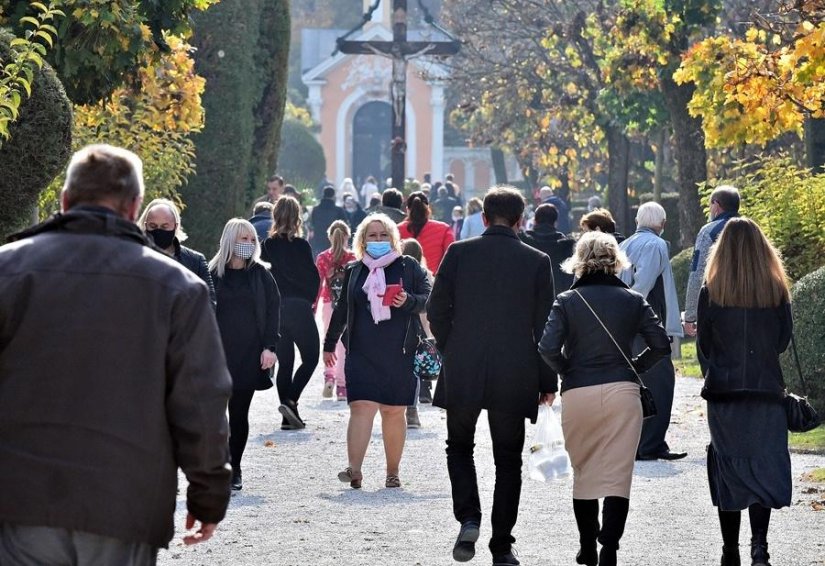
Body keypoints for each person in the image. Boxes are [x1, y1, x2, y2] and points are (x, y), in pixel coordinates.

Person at [0, 144, 231, 563]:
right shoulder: (177, 287)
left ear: (65, 201)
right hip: (123, 498)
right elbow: (201, 398)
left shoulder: (8, 271)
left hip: (19, 496)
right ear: (134, 208)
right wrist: (208, 491)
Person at [427, 187, 556, 566]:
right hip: (514, 369)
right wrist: (547, 380)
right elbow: (544, 326)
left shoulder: (459, 253)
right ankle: (502, 544)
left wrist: (452, 347)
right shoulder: (536, 260)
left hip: (464, 364)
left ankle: (469, 515)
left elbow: (437, 310)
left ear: (483, 218)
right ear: (521, 221)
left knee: (459, 447)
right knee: (508, 460)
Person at [538, 231, 671, 566]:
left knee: (583, 471)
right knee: (618, 473)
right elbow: (660, 345)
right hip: (623, 392)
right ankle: (609, 545)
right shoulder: (634, 301)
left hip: (579, 389)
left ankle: (587, 546)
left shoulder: (567, 301)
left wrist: (569, 370)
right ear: (616, 261)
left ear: (579, 261)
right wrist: (633, 368)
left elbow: (547, 347)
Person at [697, 218, 793, 566]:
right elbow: (782, 342)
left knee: (729, 466)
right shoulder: (775, 289)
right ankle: (760, 546)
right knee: (763, 464)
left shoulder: (713, 290)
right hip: (767, 390)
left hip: (725, 393)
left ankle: (729, 549)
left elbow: (705, 345)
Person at [323, 214, 431, 489]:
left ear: (393, 238)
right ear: (362, 241)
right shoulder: (355, 270)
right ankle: (354, 470)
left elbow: (429, 299)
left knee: (394, 412)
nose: (378, 240)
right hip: (361, 351)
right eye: (372, 236)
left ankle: (392, 472)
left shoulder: (409, 267)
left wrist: (408, 300)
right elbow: (343, 309)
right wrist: (329, 343)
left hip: (400, 351)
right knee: (360, 407)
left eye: (383, 235)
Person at [209, 219, 280, 491]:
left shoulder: (262, 275)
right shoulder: (212, 274)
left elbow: (274, 311)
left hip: (249, 353)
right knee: (215, 415)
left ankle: (234, 467)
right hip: (216, 353)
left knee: (239, 413)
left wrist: (270, 347)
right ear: (229, 240)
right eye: (243, 239)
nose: (248, 245)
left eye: (252, 240)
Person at [619, 202, 687, 461]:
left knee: (639, 383)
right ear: (663, 223)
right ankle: (651, 443)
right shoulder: (657, 245)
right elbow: (644, 284)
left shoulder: (625, 244)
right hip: (648, 322)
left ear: (638, 221)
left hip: (630, 325)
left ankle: (640, 441)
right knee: (661, 382)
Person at [261, 196, 321, 430]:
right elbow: (312, 276)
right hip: (299, 306)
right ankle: (291, 399)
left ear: (274, 216)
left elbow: (263, 278)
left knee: (285, 363)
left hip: (277, 309)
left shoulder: (266, 246)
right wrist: (309, 300)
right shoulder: (302, 245)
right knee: (311, 358)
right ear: (298, 217)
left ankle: (288, 417)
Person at [683, 185, 740, 337]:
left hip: (719, 303)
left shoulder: (709, 231)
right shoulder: (753, 229)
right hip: (753, 301)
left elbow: (698, 271)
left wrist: (690, 315)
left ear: (716, 205)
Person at [137, 197, 216, 307]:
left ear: (176, 226)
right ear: (145, 226)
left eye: (165, 226)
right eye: (153, 226)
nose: (159, 231)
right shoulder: (134, 258)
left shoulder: (195, 262)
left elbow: (209, 304)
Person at [315, 220, 356, 402]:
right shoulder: (353, 258)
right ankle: (341, 385)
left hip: (328, 302)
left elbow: (318, 284)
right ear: (348, 236)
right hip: (346, 305)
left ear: (330, 236)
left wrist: (314, 306)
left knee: (328, 340)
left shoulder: (323, 257)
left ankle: (329, 376)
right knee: (343, 345)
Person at [400, 237, 433, 427]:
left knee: (407, 364)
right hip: (424, 322)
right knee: (419, 362)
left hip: (411, 322)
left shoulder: (400, 272)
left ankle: (410, 408)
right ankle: (422, 396)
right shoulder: (426, 273)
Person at [519, 203, 575, 295]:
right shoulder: (567, 246)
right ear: (555, 223)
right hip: (558, 298)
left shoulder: (523, 242)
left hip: (529, 297)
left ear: (535, 221)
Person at [398, 191, 455, 274]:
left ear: (407, 209)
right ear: (428, 208)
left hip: (404, 280)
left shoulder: (397, 230)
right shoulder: (444, 229)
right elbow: (451, 258)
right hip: (435, 281)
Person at [309, 185, 348, 256]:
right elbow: (344, 225)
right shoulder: (338, 210)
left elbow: (312, 224)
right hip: (334, 240)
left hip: (318, 240)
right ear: (333, 196)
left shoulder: (316, 209)